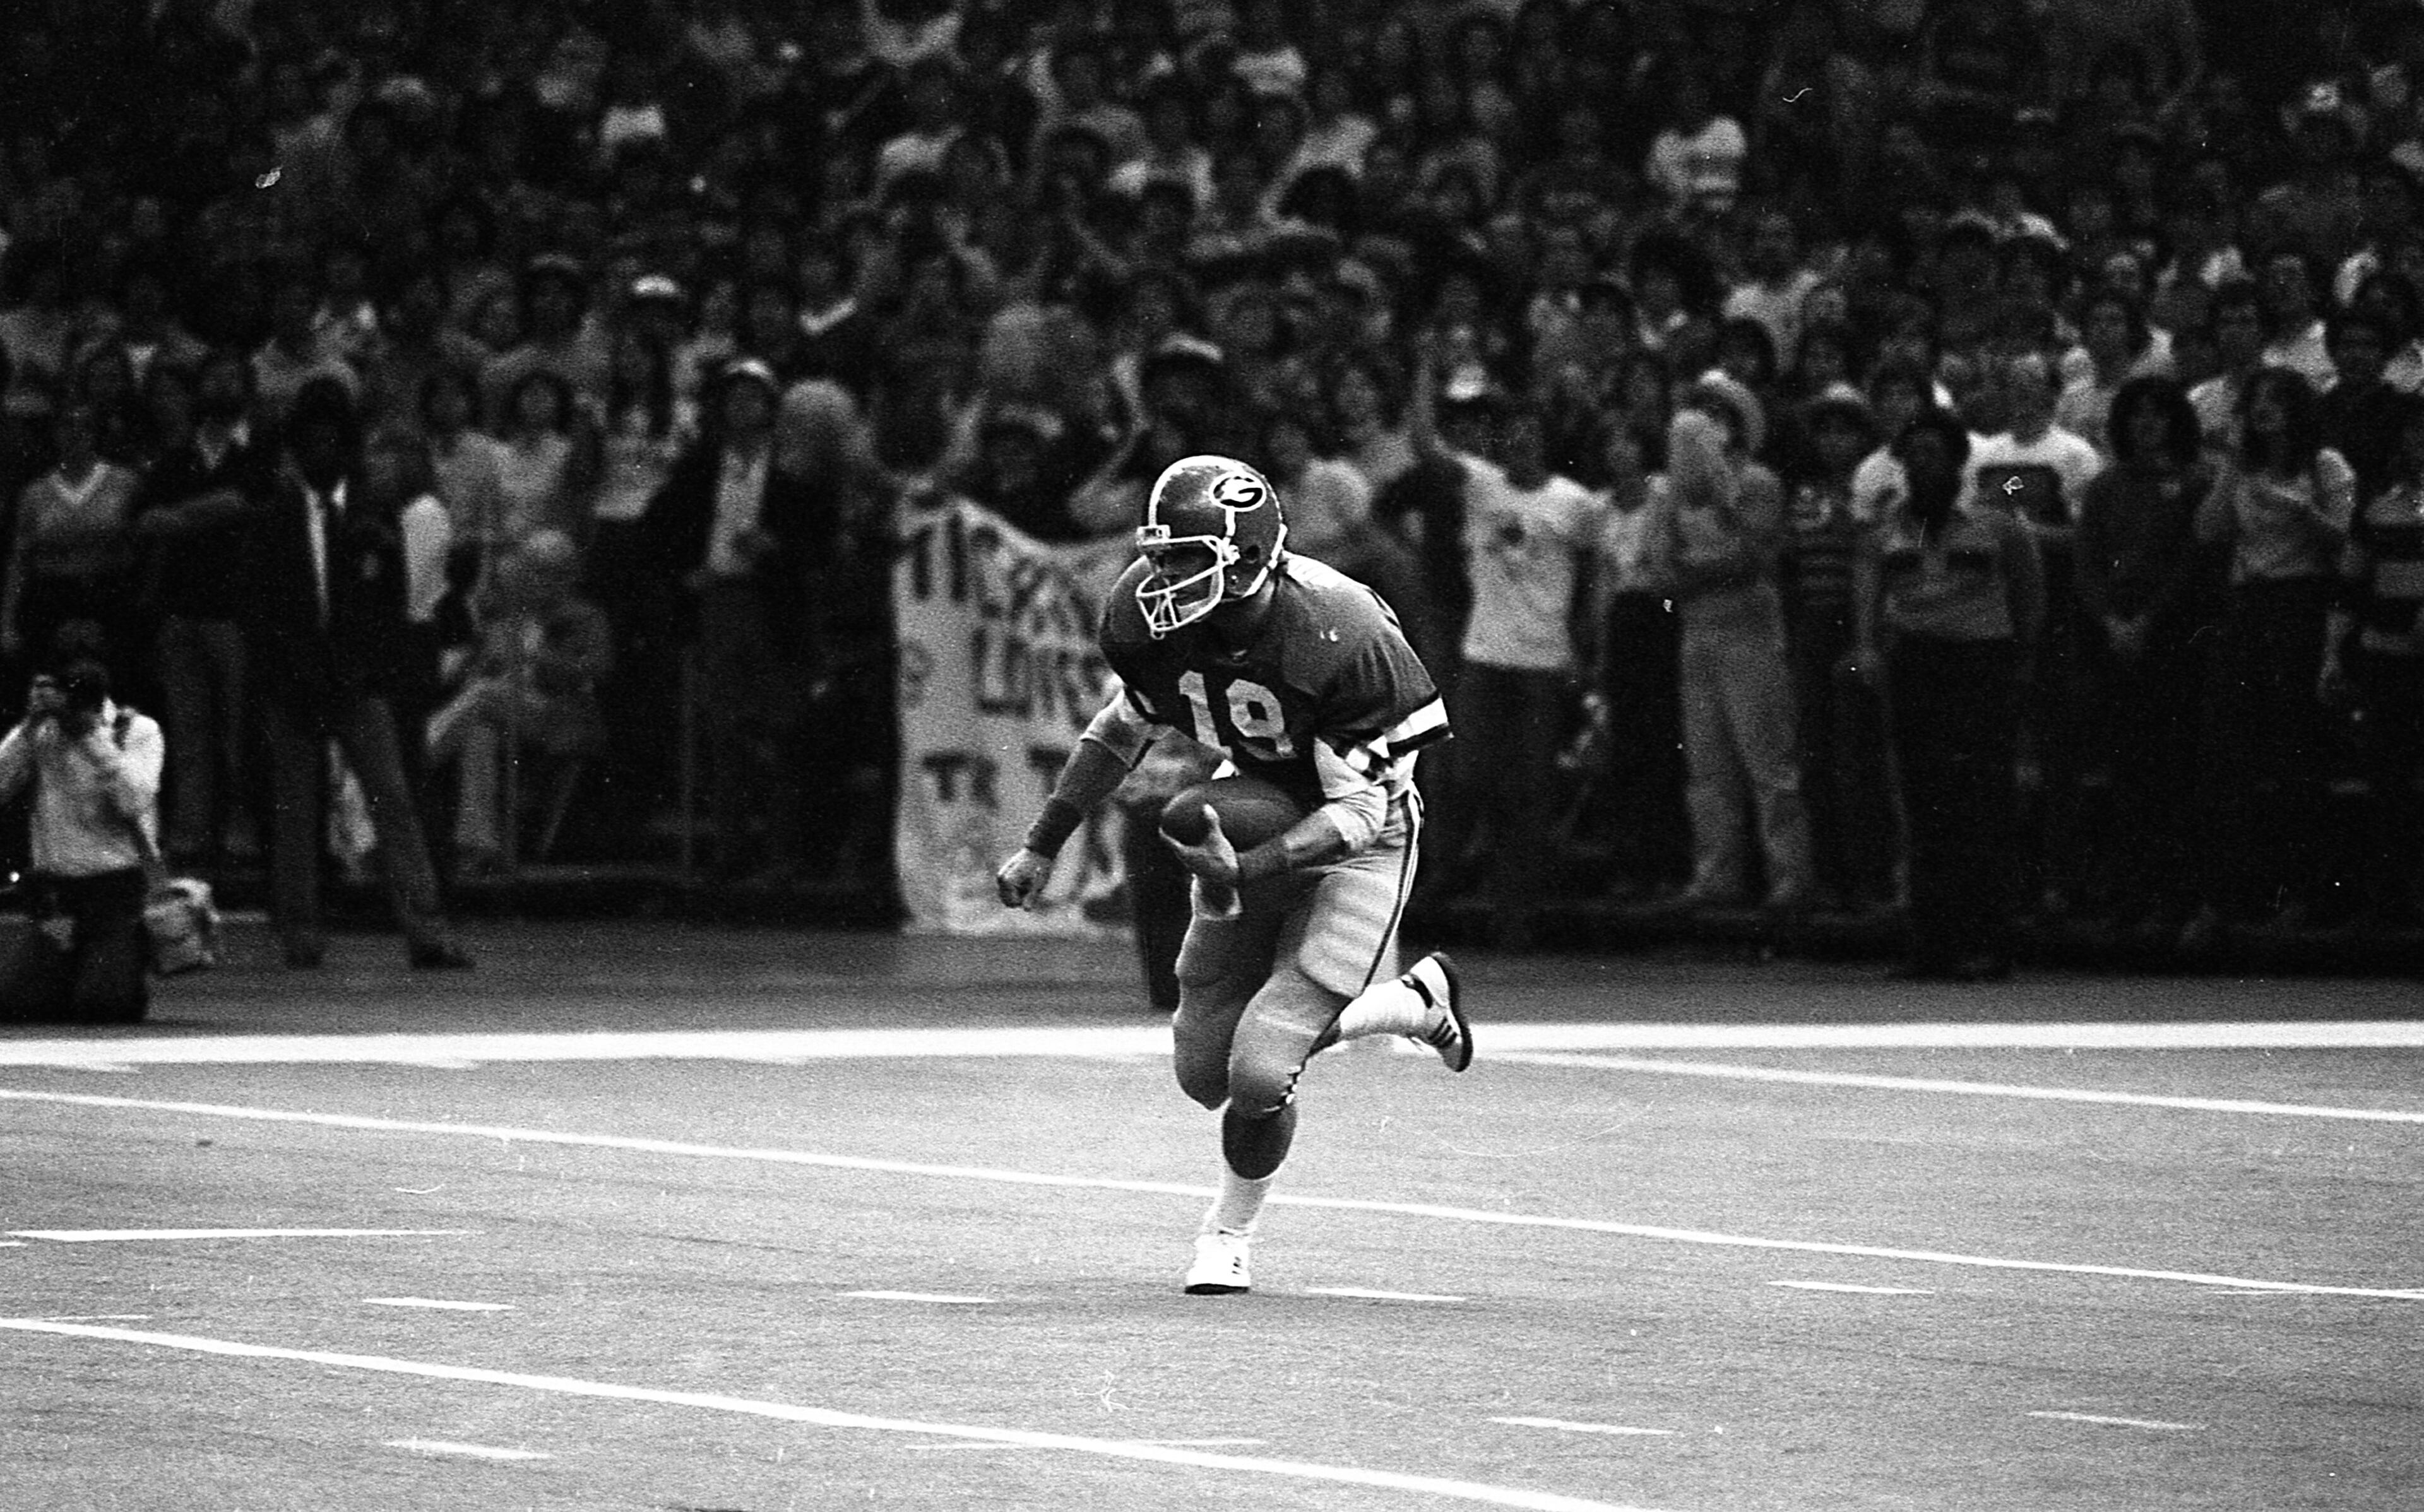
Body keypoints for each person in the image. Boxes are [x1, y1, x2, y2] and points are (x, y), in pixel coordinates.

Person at [995, 454, 1470, 1296]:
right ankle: (1409, 1004)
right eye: (1160, 555)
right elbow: (1120, 731)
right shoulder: (1154, 623)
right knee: (1203, 1072)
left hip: (1363, 833)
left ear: (1248, 557)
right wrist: (1042, 843)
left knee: (1259, 1071)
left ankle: (1227, 1236)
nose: (1161, 578)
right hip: (1255, 802)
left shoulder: (1342, 632)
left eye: (1185, 557)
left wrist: (1245, 867)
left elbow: (1358, 814)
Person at [135, 377, 473, 971]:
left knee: (392, 801)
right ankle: (300, 930)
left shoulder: (372, 515)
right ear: (297, 448)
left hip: (356, 681)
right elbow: (254, 606)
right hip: (293, 682)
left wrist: (370, 670)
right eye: (312, 442)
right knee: (296, 810)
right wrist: (283, 675)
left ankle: (427, 930)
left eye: (332, 441)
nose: (323, 453)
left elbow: (391, 604)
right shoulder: (272, 518)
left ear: (346, 447)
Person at [1852, 408, 2046, 981]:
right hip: (1916, 662)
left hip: (1980, 663)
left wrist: (2021, 661)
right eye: (1911, 455)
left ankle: (1989, 943)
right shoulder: (1888, 527)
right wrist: (1867, 646)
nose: (1920, 465)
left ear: (1958, 462)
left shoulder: (1997, 522)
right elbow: (1869, 590)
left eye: (1932, 454)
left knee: (1983, 802)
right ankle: (1932, 944)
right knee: (1923, 802)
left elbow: (2029, 594)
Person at [0, 660, 164, 1023]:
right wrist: (28, 729)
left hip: (115, 888)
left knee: (104, 1007)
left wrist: (92, 739)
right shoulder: (40, 733)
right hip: (56, 889)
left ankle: (115, 964)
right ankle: (70, 969)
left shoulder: (136, 730)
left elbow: (133, 802)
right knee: (17, 1006)